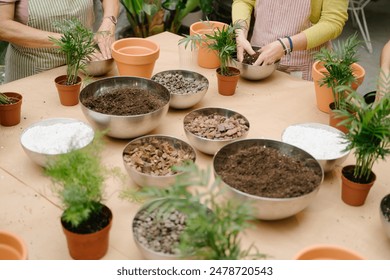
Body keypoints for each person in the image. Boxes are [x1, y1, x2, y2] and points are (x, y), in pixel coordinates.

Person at [0, 0, 119, 83]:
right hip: (34, 70)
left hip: (85, 65)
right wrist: (71, 42)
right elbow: (3, 26)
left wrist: (109, 21)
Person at [232, 0, 349, 80]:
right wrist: (240, 33)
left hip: (302, 66)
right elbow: (244, 1)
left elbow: (332, 21)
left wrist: (286, 45)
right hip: (257, 61)